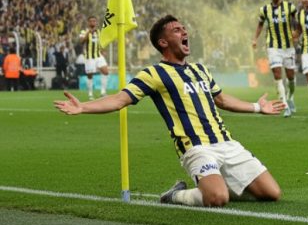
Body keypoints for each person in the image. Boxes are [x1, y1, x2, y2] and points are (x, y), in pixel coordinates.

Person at [54, 15, 285, 207]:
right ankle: (176, 195)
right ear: (163, 42)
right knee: (217, 199)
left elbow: (222, 100)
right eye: (177, 30)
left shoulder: (200, 69)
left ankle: (214, 185)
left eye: (184, 28)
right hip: (195, 147)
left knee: (272, 193)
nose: (184, 32)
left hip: (226, 143)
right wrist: (83, 107)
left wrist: (257, 107)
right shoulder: (153, 74)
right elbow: (119, 100)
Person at [252, 0, 298, 117]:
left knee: (290, 77)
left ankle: (290, 97)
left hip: (288, 47)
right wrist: (255, 39)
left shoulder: (290, 7)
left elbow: (297, 22)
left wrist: (296, 33)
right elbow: (260, 25)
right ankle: (284, 106)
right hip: (273, 47)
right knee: (277, 75)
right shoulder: (264, 10)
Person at [79, 16, 110, 99]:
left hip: (98, 55)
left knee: (106, 72)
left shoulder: (99, 31)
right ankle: (90, 94)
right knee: (90, 75)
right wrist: (89, 32)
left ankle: (103, 92)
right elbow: (81, 42)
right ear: (88, 22)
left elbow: (100, 43)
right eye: (91, 21)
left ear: (96, 22)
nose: (93, 22)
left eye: (94, 21)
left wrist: (103, 50)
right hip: (89, 57)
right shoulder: (84, 31)